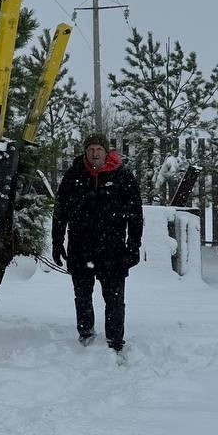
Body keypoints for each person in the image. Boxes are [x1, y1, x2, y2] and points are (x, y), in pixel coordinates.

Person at [52, 132, 143, 353]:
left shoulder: (123, 177)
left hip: (112, 251)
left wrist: (134, 245)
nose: (95, 153)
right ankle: (86, 335)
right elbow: (60, 212)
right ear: (85, 151)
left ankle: (115, 341)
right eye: (91, 149)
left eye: (99, 149)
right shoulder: (73, 176)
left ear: (106, 152)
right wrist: (57, 241)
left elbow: (135, 215)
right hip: (80, 249)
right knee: (82, 296)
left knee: (114, 300)